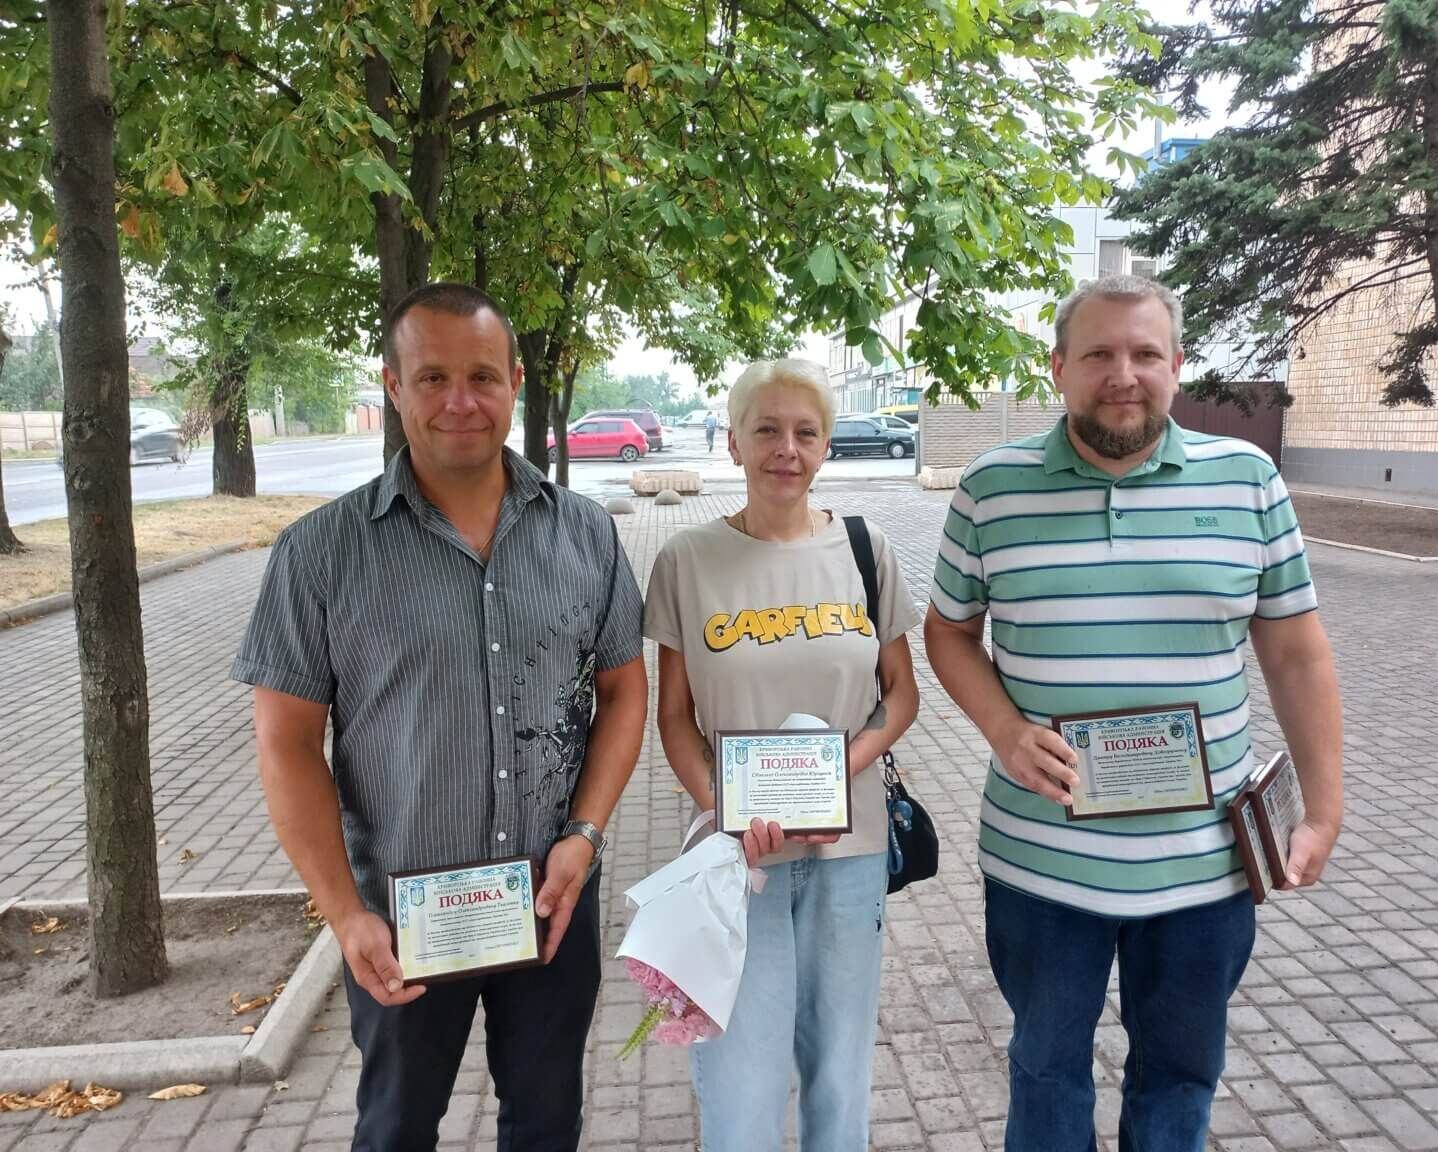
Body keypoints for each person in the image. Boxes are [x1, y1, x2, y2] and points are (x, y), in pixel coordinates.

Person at [924, 274, 1343, 1152]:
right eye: (1099, 354)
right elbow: (950, 632)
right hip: (1043, 865)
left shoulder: (1248, 480)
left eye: (1146, 353)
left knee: (1180, 1078)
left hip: (1205, 871)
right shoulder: (991, 488)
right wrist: (1004, 730)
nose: (1124, 374)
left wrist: (1325, 810)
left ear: (1177, 364)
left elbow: (1296, 656)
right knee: (1046, 1074)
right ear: (1059, 368)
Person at [232, 282, 647, 1152]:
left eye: (482, 376)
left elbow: (623, 691)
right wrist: (344, 914)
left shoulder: (586, 534)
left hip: (551, 897)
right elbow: (287, 746)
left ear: (515, 383)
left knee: (547, 1125)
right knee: (395, 1129)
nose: (460, 401)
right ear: (393, 387)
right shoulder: (320, 553)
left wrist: (585, 834)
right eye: (432, 379)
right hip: (400, 917)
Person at [644, 358, 921, 1151]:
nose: (786, 449)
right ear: (733, 442)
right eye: (766, 429)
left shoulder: (866, 549)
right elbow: (674, 717)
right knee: (743, 1079)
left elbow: (901, 695)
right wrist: (725, 811)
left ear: (826, 445)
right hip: (737, 862)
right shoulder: (687, 561)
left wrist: (841, 769)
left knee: (840, 1071)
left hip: (850, 853)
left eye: (806, 432)